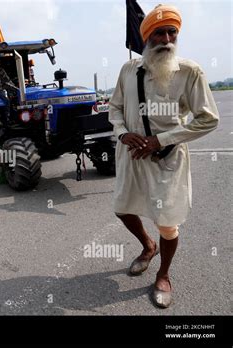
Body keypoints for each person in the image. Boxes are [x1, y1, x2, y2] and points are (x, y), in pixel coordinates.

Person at [109, 4, 219, 308]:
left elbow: (208, 118)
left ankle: (164, 274)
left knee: (169, 222)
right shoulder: (128, 70)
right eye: (159, 32)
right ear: (147, 38)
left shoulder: (190, 72)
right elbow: (114, 107)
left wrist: (161, 140)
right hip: (131, 156)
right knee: (122, 208)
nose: (167, 38)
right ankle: (147, 245)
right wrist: (121, 132)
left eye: (172, 32)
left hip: (167, 160)